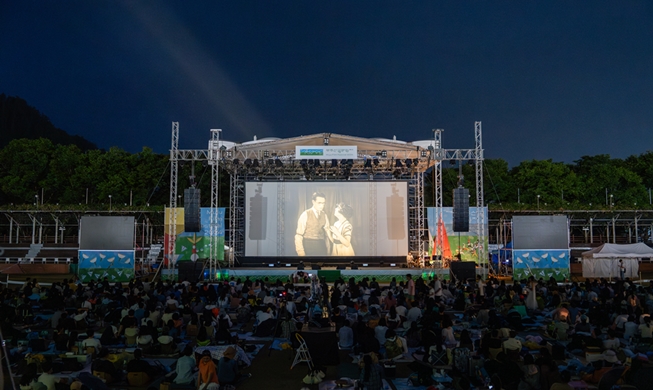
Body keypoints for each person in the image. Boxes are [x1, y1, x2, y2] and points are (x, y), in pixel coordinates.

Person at [295, 191, 330, 256]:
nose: (322, 205)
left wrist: (328, 251)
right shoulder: (305, 214)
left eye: (323, 203)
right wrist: (301, 254)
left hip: (322, 247)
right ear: (313, 202)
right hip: (308, 247)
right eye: (319, 203)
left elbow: (326, 236)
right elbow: (298, 235)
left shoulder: (324, 215)